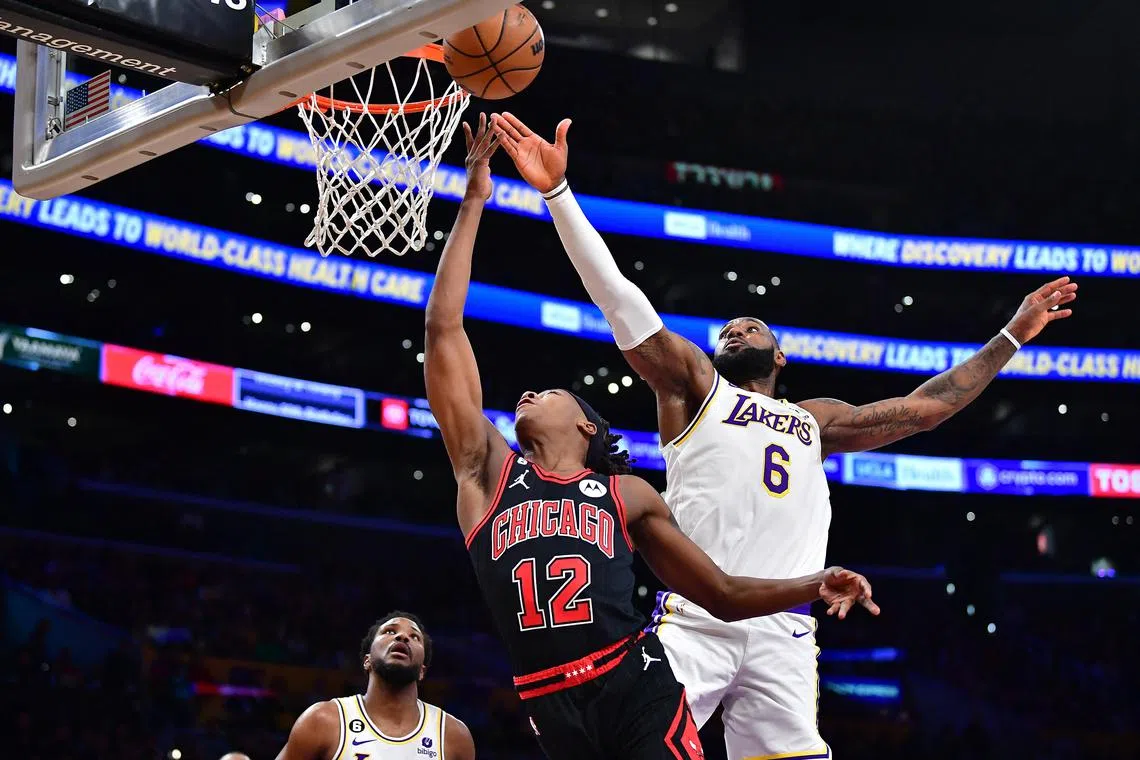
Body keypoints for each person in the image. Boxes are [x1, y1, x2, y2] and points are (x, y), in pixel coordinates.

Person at [488, 112, 1079, 760]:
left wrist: (1012, 335)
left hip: (785, 630)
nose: (736, 329)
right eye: (728, 328)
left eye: (752, 326)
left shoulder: (815, 420)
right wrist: (558, 195)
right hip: (697, 619)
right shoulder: (694, 391)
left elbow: (924, 409)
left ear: (780, 355)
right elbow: (621, 302)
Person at [423, 114, 878, 760]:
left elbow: (722, 593)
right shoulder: (487, 473)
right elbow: (443, 330)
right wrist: (473, 200)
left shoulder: (626, 495)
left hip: (636, 683)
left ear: (586, 423)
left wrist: (814, 583)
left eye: (547, 393)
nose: (526, 396)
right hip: (552, 700)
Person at [276, 612, 474, 760]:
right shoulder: (322, 720)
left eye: (414, 636)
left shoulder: (453, 735)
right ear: (367, 661)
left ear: (422, 671)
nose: (402, 637)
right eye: (390, 631)